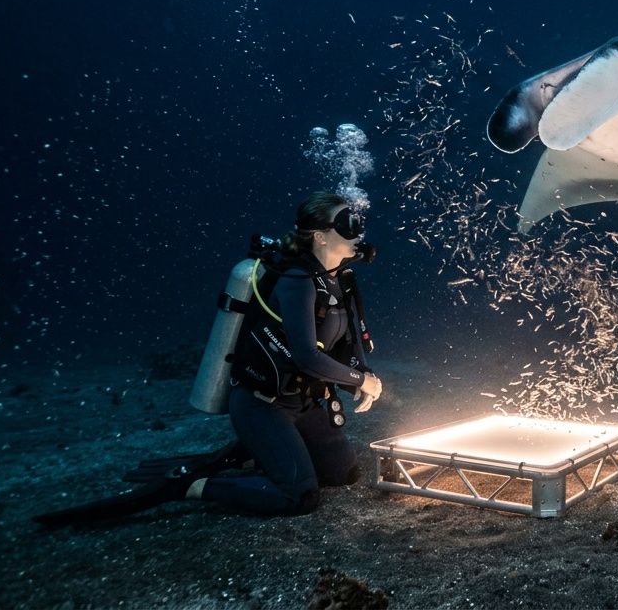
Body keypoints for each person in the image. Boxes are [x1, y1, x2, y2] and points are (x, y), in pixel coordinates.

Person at [34, 191, 384, 525]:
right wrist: (359, 381)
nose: (358, 233)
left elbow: (347, 342)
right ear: (320, 237)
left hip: (304, 404)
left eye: (357, 222)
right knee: (299, 497)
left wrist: (360, 374)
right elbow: (307, 357)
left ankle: (253, 453)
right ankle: (190, 486)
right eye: (347, 224)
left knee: (343, 474)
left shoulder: (342, 279)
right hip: (263, 405)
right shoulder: (298, 280)